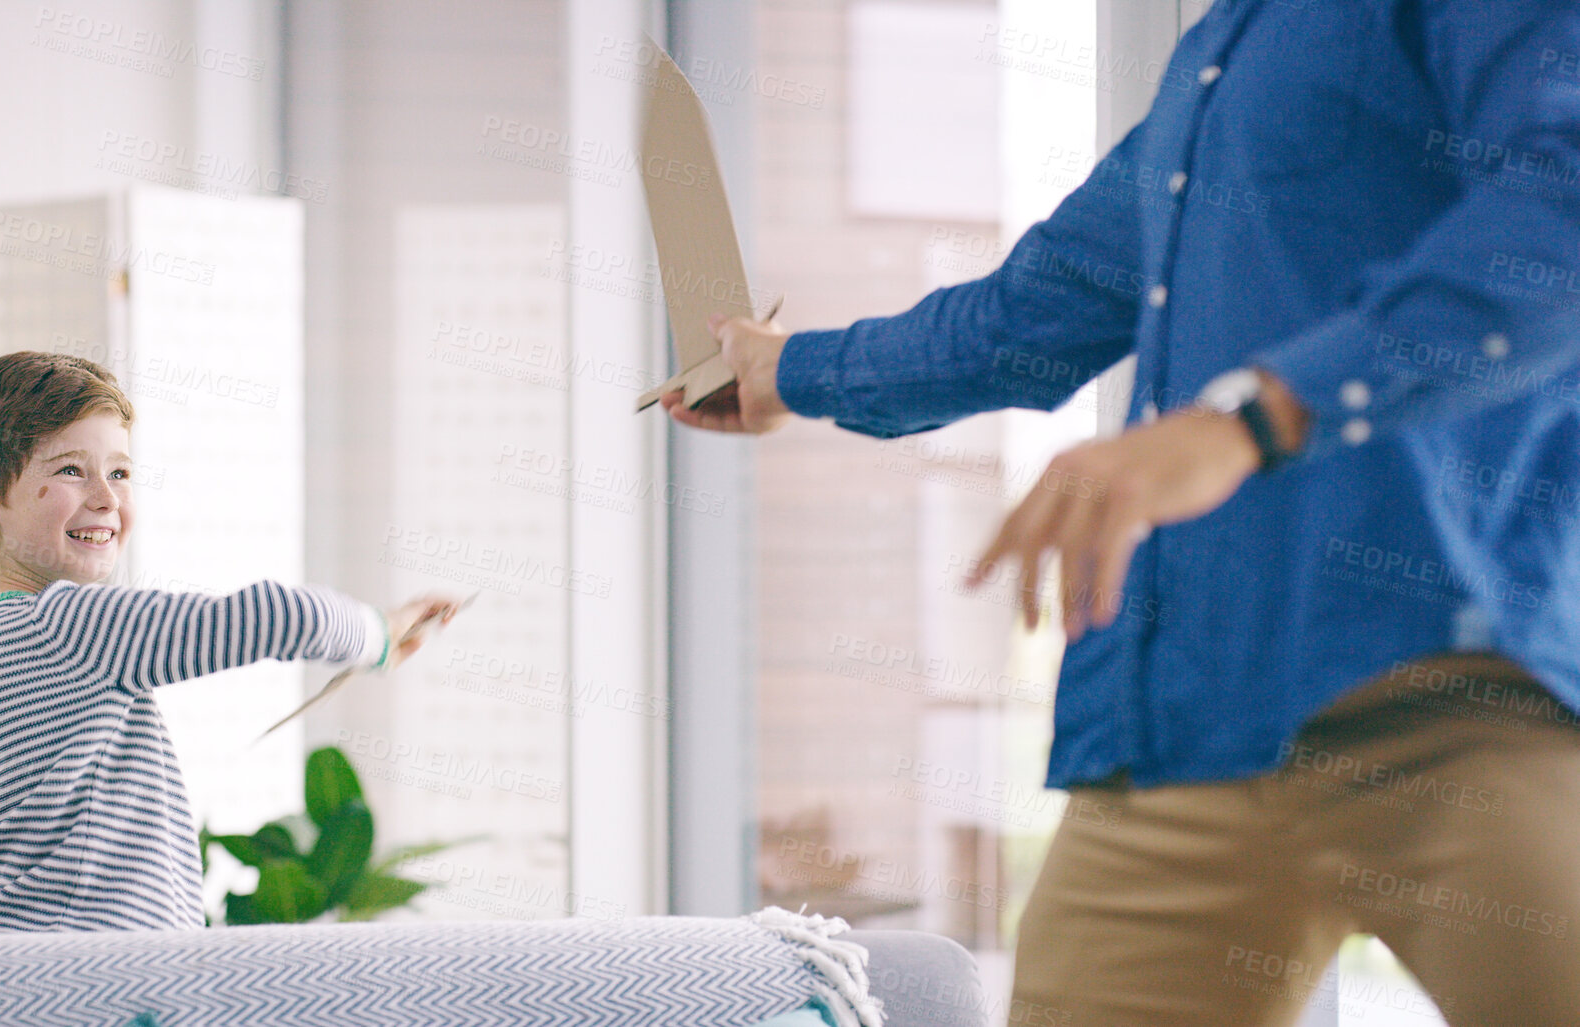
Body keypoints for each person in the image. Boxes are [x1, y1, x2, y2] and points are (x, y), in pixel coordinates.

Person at [664, 2, 1580, 1022]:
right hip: (1179, 736)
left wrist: (1251, 416)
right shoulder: (1216, 63)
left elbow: (1556, 218)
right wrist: (787, 369)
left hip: (1457, 697)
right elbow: (1025, 315)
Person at [0, 350, 463, 932]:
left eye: (119, 472)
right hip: (88, 977)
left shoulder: (3, 648)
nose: (107, 497)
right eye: (69, 470)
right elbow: (279, 616)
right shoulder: (66, 622)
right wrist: (378, 634)